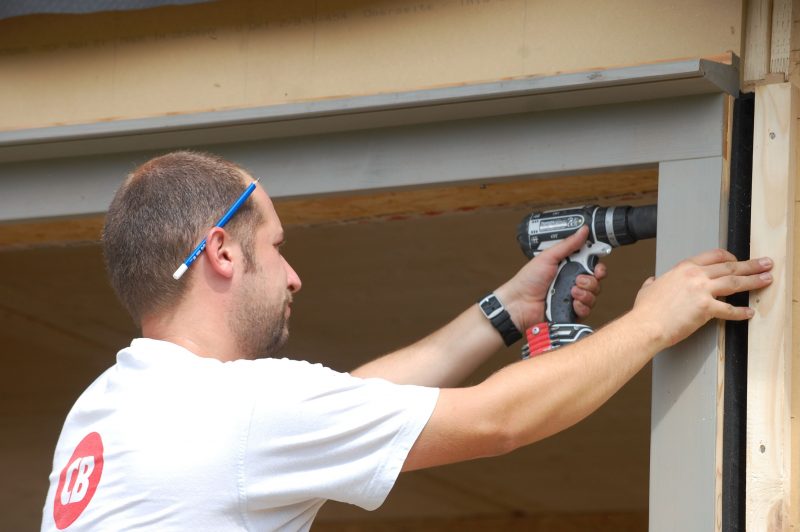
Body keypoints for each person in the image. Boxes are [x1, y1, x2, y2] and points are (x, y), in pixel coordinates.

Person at [42, 151, 773, 531]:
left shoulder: (104, 412)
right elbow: (497, 421)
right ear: (222, 254)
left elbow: (348, 404)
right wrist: (655, 319)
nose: (294, 277)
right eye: (277, 247)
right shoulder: (242, 410)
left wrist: (505, 309)